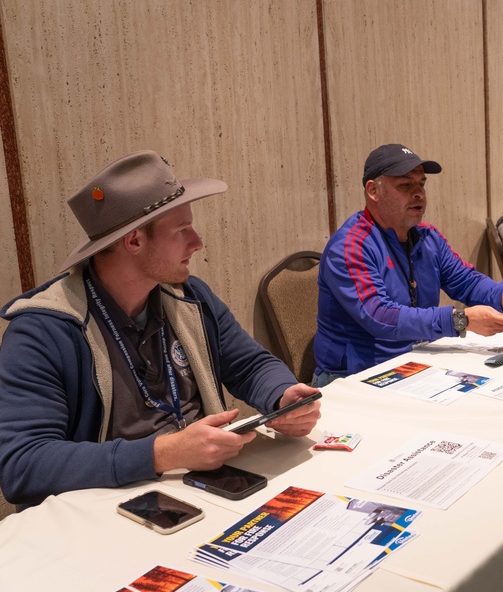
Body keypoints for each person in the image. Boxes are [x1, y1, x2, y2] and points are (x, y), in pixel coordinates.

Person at [0, 152, 321, 508]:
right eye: (182, 230)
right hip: (110, 511)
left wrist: (283, 395)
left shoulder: (190, 298)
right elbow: (22, 466)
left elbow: (249, 364)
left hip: (206, 489)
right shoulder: (43, 331)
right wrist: (162, 453)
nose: (197, 242)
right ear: (134, 241)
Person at [314, 144, 503, 383]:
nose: (419, 194)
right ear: (373, 191)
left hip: (414, 361)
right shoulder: (351, 246)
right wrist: (460, 320)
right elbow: (379, 316)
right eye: (405, 185)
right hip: (356, 375)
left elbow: (466, 281)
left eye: (421, 184)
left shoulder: (427, 237)